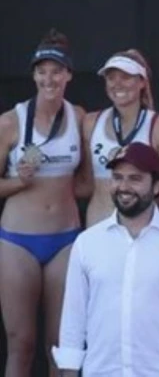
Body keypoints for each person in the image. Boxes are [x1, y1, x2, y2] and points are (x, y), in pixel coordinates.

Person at [54, 142, 159, 377]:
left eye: (135, 179)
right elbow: (73, 321)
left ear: (157, 186)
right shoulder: (87, 243)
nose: (123, 187)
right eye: (117, 177)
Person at [0, 29, 87, 377]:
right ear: (34, 74)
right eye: (42, 71)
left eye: (56, 71)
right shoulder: (10, 122)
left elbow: (86, 182)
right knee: (21, 343)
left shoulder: (78, 116)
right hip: (18, 240)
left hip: (65, 239)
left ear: (68, 75)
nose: (49, 78)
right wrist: (20, 182)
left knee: (60, 346)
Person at [79, 49, 159, 226]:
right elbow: (87, 185)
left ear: (142, 82)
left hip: (141, 235)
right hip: (98, 232)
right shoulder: (90, 123)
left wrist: (141, 176)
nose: (117, 84)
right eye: (111, 78)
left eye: (125, 77)